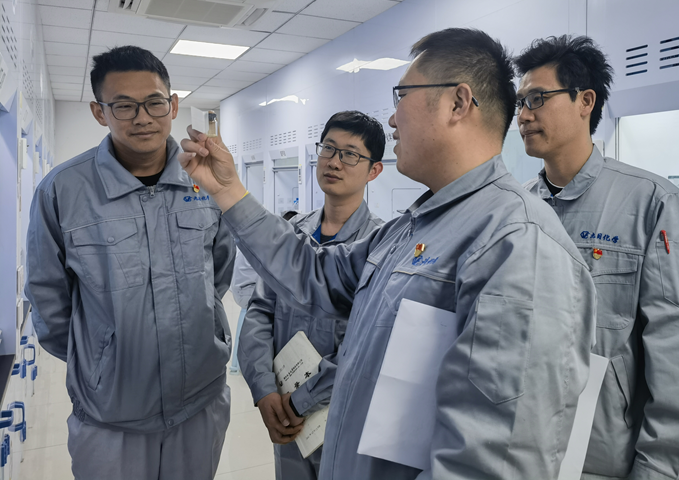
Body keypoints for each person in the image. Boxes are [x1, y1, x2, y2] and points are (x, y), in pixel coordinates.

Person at [180, 28, 596, 479]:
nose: (393, 119)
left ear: (458, 103)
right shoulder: (412, 228)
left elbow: (489, 462)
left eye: (402, 96)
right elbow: (313, 273)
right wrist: (229, 192)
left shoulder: (518, 243)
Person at [25, 46, 236, 480]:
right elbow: (49, 299)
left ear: (172, 105)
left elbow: (218, 271)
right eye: (123, 105)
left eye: (154, 102)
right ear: (99, 112)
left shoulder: (204, 180)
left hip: (199, 400)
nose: (142, 118)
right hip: (111, 417)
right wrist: (101, 359)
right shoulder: (62, 190)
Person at [514, 35, 679, 480]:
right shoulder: (516, 207)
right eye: (520, 102)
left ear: (585, 101)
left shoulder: (651, 201)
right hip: (519, 452)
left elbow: (676, 346)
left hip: (603, 461)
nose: (523, 115)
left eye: (537, 99)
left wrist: (659, 468)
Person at [238, 111, 385, 480]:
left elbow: (366, 345)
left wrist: (301, 401)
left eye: (350, 154)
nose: (334, 162)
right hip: (285, 414)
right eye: (328, 149)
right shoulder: (291, 233)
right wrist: (264, 390)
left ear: (374, 171)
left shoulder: (379, 248)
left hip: (340, 415)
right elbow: (259, 310)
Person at [228, 210, 299, 376]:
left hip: (242, 287)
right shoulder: (271, 243)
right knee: (287, 304)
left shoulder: (266, 237)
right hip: (246, 290)